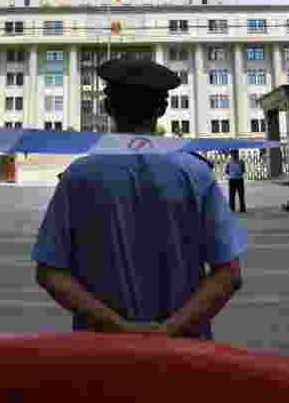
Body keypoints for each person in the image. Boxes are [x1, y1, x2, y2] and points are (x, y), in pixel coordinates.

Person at [31, 57, 247, 340]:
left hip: (102, 352)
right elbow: (229, 275)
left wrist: (121, 329)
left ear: (107, 107)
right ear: (163, 108)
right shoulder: (196, 174)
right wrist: (168, 330)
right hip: (183, 353)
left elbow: (50, 273)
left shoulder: (78, 176)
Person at [225, 149, 247, 214]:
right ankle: (232, 208)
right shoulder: (229, 162)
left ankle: (242, 208)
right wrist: (232, 173)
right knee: (232, 195)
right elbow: (226, 170)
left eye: (235, 153)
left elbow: (243, 170)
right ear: (231, 154)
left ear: (237, 154)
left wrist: (237, 172)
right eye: (233, 153)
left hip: (239, 179)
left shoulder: (241, 161)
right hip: (232, 180)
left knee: (241, 194)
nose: (234, 155)